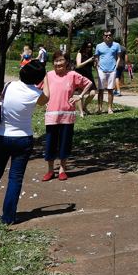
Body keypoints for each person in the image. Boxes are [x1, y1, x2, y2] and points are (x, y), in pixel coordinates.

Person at [0, 60, 48, 224]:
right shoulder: (36, 93)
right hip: (23, 139)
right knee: (15, 178)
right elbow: (45, 99)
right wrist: (46, 78)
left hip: (2, 136)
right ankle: (7, 218)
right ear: (38, 78)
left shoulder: (9, 85)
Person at [40, 50, 92, 181]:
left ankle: (62, 169)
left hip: (67, 116)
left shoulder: (72, 75)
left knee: (64, 143)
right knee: (50, 143)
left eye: (61, 60)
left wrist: (79, 96)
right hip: (52, 115)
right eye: (56, 61)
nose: (58, 63)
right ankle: (50, 170)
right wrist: (44, 101)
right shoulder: (48, 75)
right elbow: (38, 89)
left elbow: (89, 83)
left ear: (67, 62)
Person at [94, 31, 124, 114]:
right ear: (103, 36)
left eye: (109, 35)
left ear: (112, 36)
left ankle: (109, 108)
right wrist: (97, 67)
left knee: (110, 90)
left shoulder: (116, 45)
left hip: (112, 70)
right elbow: (96, 57)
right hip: (101, 70)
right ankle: (99, 108)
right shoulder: (99, 46)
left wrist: (116, 67)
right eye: (106, 35)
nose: (108, 37)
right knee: (101, 90)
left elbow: (118, 57)